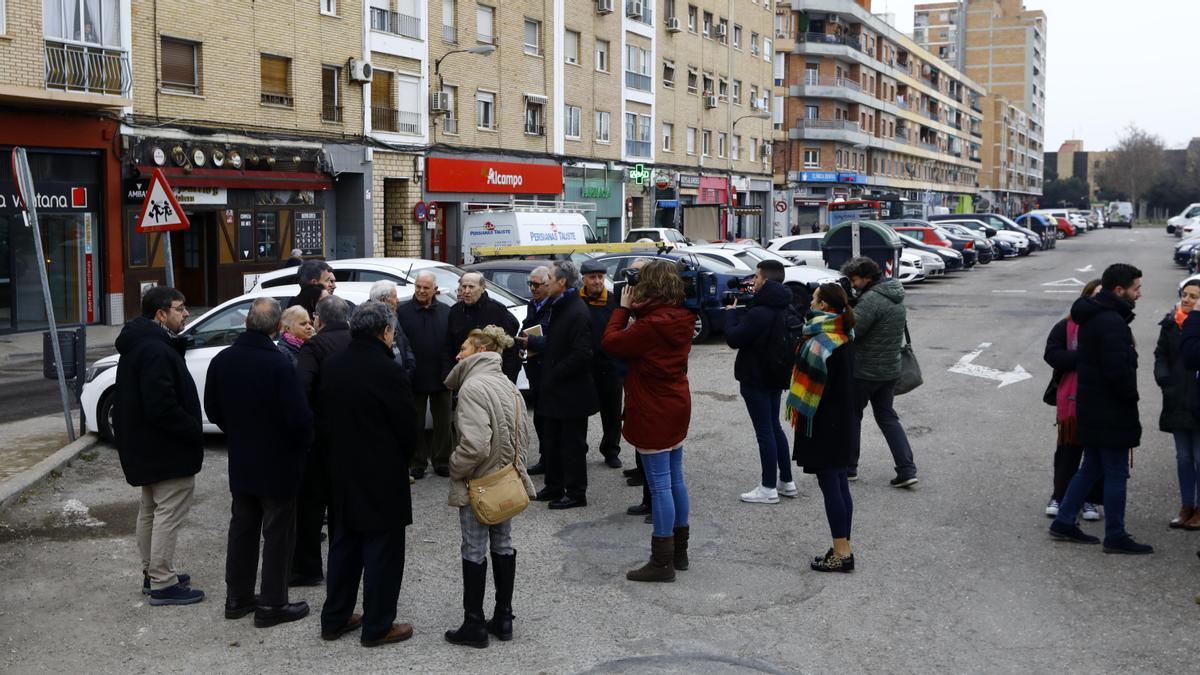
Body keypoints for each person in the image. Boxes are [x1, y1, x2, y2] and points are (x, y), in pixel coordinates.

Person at [204, 298, 314, 627]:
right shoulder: (279, 364)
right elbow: (299, 418)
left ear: (247, 323)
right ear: (278, 327)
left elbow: (213, 410)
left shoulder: (223, 360)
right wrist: (303, 445)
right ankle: (272, 603)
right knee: (278, 532)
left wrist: (239, 431)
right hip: (278, 461)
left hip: (242, 457)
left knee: (243, 527)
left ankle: (237, 597)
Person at [318, 301, 418, 647]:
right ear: (386, 331)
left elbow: (323, 419)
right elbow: (408, 428)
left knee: (343, 546)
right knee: (382, 552)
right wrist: (401, 459)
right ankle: (377, 626)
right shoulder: (389, 370)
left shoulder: (332, 364)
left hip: (342, 470)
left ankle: (335, 617)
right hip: (381, 473)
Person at [442, 326, 537, 648]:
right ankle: (504, 617)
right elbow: (523, 435)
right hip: (505, 481)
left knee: (473, 546)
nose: (458, 355)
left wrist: (455, 467)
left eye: (463, 349)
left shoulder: (472, 388)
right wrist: (514, 469)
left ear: (480, 350)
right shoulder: (508, 386)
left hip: (479, 481)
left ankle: (474, 624)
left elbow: (475, 445)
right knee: (503, 542)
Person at [602, 260, 695, 582]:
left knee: (659, 486)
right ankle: (679, 554)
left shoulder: (649, 325)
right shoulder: (681, 316)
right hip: (676, 401)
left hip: (653, 407)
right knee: (675, 478)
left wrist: (623, 309)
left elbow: (611, 342)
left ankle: (661, 562)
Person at [1049, 263, 1151, 554]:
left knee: (1091, 467)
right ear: (1119, 290)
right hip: (1110, 410)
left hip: (1092, 406)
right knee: (1117, 473)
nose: (1139, 294)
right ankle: (1115, 535)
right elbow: (1117, 371)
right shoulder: (1111, 322)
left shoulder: (1095, 315)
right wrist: (1130, 399)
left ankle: (1064, 521)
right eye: (1136, 288)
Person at [113, 286, 204, 605]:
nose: (187, 314)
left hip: (146, 446)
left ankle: (153, 573)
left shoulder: (142, 344)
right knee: (166, 512)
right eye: (180, 309)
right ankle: (162, 582)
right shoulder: (155, 349)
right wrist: (193, 429)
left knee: (151, 510)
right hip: (166, 449)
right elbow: (161, 405)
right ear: (161, 314)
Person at [788, 283, 858, 572]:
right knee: (839, 483)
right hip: (842, 419)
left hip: (825, 421)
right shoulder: (844, 332)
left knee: (832, 485)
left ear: (825, 307)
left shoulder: (821, 341)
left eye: (815, 299)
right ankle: (844, 546)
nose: (810, 303)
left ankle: (842, 553)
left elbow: (820, 385)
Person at [725, 259, 799, 504]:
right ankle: (786, 482)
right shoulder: (785, 306)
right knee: (774, 427)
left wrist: (731, 315)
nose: (753, 281)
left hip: (756, 378)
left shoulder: (760, 312)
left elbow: (734, 338)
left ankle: (768, 487)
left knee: (764, 432)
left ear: (765, 280)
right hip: (776, 376)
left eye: (756, 277)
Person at [839, 256, 918, 486]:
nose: (852, 284)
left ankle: (849, 468)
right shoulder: (893, 295)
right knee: (887, 417)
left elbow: (853, 331)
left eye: (854, 279)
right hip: (890, 370)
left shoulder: (872, 300)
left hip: (865, 371)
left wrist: (845, 306)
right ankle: (907, 469)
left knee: (852, 417)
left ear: (867, 277)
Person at [291, 295, 353, 586]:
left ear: (319, 319)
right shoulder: (358, 343)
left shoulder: (314, 347)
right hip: (351, 436)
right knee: (343, 506)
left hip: (320, 437)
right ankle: (345, 566)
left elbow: (301, 388)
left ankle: (307, 568)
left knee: (311, 506)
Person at [530, 261, 599, 510]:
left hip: (571, 393)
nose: (545, 281)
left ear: (562, 282)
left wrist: (554, 374)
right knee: (552, 440)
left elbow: (581, 354)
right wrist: (533, 343)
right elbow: (556, 342)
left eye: (549, 277)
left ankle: (575, 492)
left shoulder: (577, 311)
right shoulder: (558, 305)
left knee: (572, 445)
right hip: (555, 391)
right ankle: (554, 485)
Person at [1043, 280, 1105, 521]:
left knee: (1097, 451)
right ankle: (1059, 495)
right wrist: (1084, 358)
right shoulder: (1066, 326)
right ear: (1085, 297)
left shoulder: (1112, 325)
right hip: (1071, 397)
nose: (1099, 299)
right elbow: (1052, 354)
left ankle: (1090, 499)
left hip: (1102, 397)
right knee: (1068, 448)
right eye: (1095, 294)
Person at [396, 271, 454, 480]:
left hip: (443, 375)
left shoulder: (447, 311)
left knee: (444, 422)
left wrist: (450, 372)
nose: (421, 291)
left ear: (435, 290)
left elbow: (452, 343)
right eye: (418, 287)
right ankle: (417, 462)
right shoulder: (403, 312)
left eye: (425, 288)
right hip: (414, 377)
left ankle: (442, 461)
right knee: (415, 422)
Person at [1156, 279, 1200, 529]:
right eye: (1185, 294)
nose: (1187, 300)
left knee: (1199, 456)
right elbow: (1161, 354)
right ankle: (1186, 506)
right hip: (1176, 398)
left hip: (1197, 398)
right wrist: (1164, 379)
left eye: (1194, 296)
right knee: (1183, 457)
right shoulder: (1171, 323)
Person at [580, 259, 625, 469]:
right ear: (584, 280)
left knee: (613, 413)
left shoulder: (614, 301)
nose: (597, 281)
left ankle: (611, 451)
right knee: (580, 411)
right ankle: (579, 449)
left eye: (600, 277)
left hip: (610, 366)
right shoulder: (576, 301)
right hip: (583, 367)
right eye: (592, 277)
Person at [446, 272, 521, 383]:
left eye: (471, 287)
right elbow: (448, 346)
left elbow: (510, 348)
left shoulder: (497, 310)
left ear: (482, 288)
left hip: (492, 378)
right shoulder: (455, 311)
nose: (466, 291)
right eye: (463, 286)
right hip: (464, 375)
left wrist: (507, 379)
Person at [516, 266, 553, 476]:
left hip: (550, 369)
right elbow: (527, 326)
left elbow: (557, 340)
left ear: (549, 284)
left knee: (550, 418)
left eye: (537, 284)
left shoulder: (555, 307)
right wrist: (523, 343)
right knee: (539, 417)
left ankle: (553, 460)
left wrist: (533, 342)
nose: (533, 288)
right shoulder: (534, 304)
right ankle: (545, 458)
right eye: (530, 284)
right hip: (535, 369)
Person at [368, 280, 416, 377]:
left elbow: (405, 343)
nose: (397, 300)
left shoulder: (393, 317)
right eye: (394, 297)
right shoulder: (367, 321)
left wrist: (410, 366)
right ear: (383, 300)